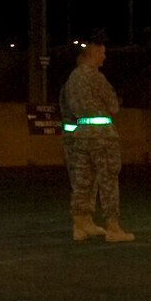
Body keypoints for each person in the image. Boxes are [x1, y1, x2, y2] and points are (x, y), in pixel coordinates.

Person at [59, 40, 132, 242]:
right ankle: (113, 227)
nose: (105, 57)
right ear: (93, 54)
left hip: (81, 134)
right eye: (102, 53)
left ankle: (81, 224)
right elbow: (113, 105)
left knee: (83, 180)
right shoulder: (96, 77)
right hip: (101, 134)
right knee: (108, 179)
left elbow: (66, 107)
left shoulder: (72, 79)